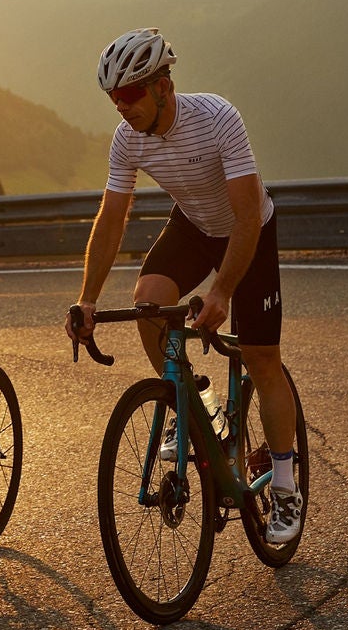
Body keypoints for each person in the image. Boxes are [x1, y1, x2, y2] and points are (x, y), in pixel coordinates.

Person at [67, 28, 304, 543]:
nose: (121, 108)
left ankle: (285, 484)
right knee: (148, 305)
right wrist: (87, 298)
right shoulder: (127, 139)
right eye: (113, 98)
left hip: (249, 230)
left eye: (129, 95)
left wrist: (222, 291)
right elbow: (111, 220)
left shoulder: (217, 118)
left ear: (161, 86)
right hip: (195, 226)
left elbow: (244, 218)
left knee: (262, 357)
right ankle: (193, 401)